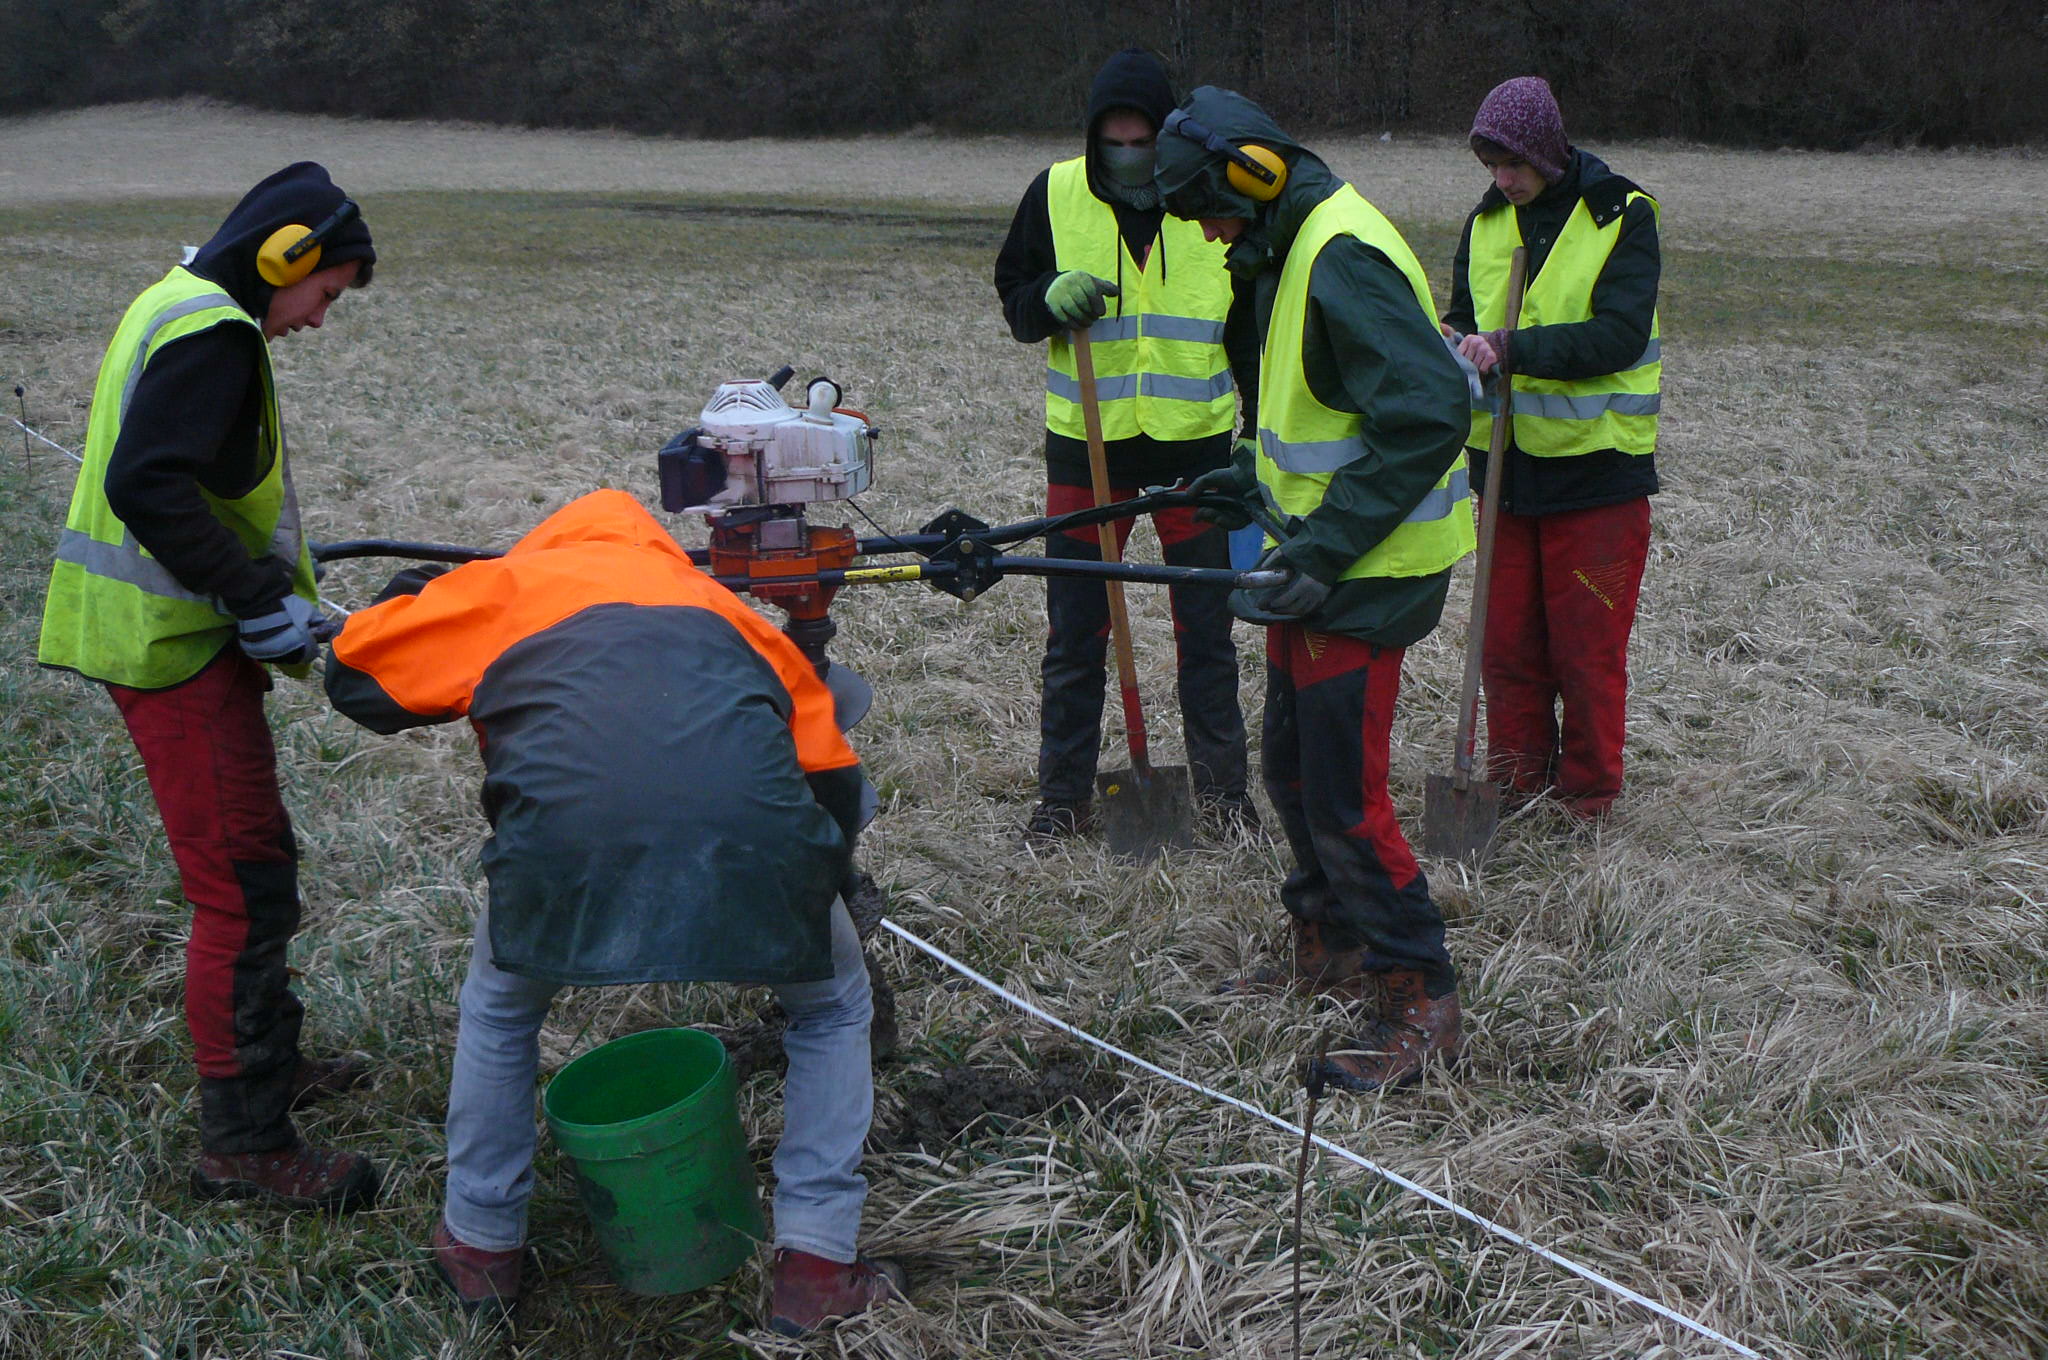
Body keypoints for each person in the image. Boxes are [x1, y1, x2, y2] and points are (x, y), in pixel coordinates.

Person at [323, 490, 902, 1334]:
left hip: (563, 846)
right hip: (757, 840)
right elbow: (838, 790)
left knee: (500, 1008)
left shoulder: (504, 588)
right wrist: (820, 882)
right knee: (834, 1005)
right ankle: (816, 1264)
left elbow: (354, 679)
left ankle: (482, 1244)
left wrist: (413, 592)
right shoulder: (730, 613)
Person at [38, 163, 382, 1209]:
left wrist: (257, 597)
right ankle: (244, 1143)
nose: (318, 319)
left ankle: (269, 1068)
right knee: (239, 887)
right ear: (285, 256)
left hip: (174, 638)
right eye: (325, 293)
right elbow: (146, 480)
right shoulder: (216, 332)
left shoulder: (177, 300)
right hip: (167, 649)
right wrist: (247, 592)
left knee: (261, 861)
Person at [1155, 88, 1477, 1093]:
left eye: (1208, 209)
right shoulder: (1288, 248)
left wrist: (1326, 543)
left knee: (1340, 789)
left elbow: (1425, 415)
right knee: (1289, 763)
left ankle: (1418, 994)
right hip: (1322, 562)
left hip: (1366, 571)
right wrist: (1247, 473)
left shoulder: (1338, 252)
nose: (1207, 234)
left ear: (1251, 174)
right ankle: (1329, 942)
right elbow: (1319, 405)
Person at [994, 47, 1256, 841]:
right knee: (1075, 634)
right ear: (1092, 139)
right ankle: (1063, 797)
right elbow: (1014, 297)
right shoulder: (1055, 193)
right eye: (1115, 141)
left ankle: (1224, 797)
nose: (1129, 155)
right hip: (1088, 449)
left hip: (1197, 452)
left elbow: (1249, 327)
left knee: (1207, 633)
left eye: (1142, 141)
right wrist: (1045, 296)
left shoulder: (1205, 197)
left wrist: (1257, 437)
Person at [1441, 76, 1661, 820]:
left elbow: (1619, 335)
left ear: (1546, 152)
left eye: (1512, 165)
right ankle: (1513, 784)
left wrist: (1514, 347)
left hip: (1596, 478)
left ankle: (1586, 803)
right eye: (1490, 167)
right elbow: (1461, 316)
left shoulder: (1622, 216)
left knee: (1586, 657)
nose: (1502, 181)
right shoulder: (1484, 222)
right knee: (1506, 649)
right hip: (1504, 475)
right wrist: (1456, 346)